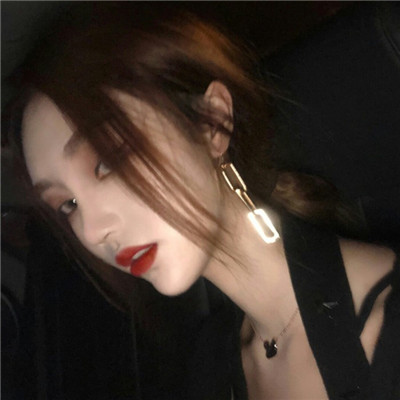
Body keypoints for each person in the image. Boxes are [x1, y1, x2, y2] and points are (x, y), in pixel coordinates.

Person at [9, 3, 399, 399]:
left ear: (213, 122)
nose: (93, 231)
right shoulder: (208, 367)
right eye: (68, 205)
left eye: (107, 161)